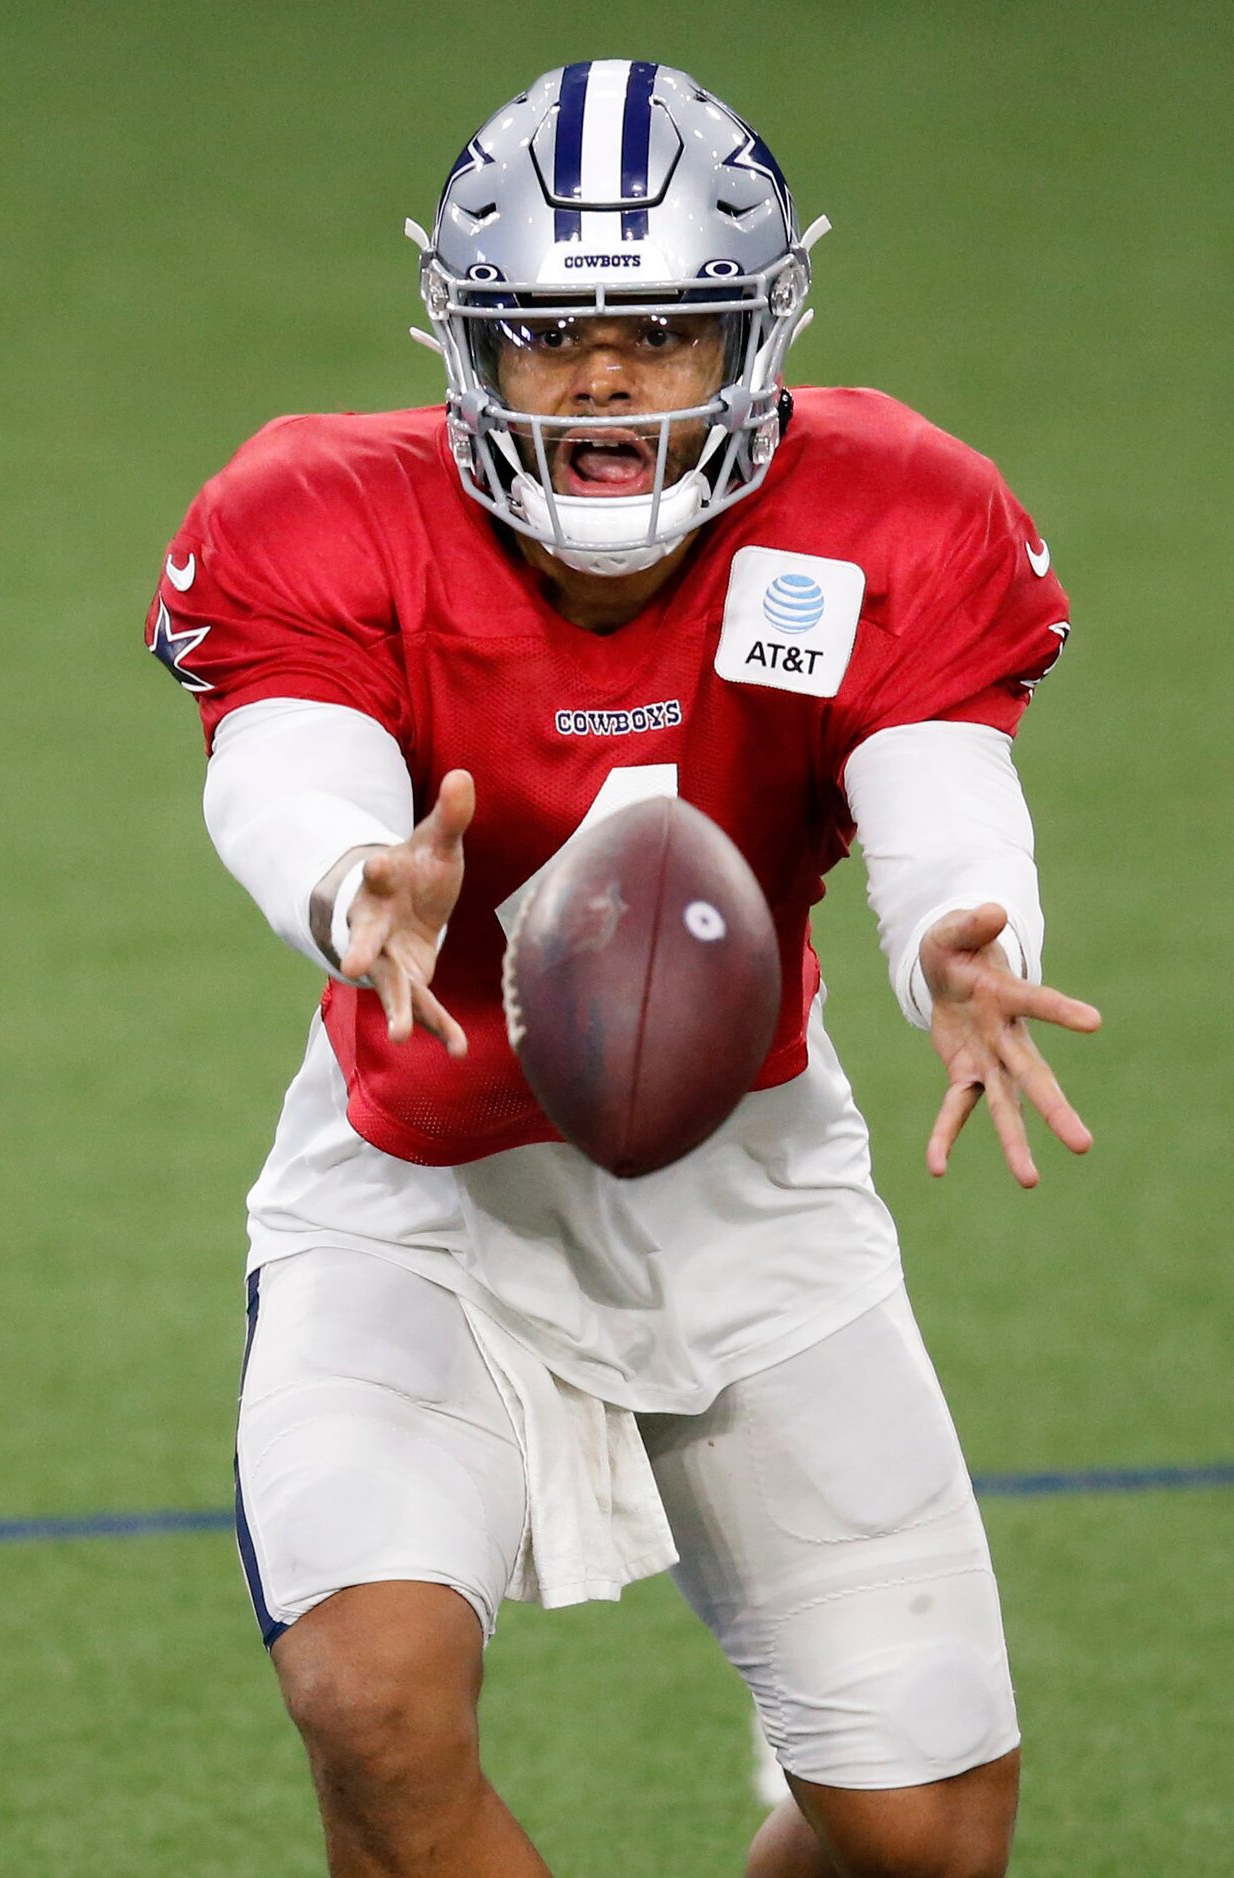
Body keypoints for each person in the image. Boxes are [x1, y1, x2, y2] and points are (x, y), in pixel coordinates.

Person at [150, 63, 1096, 1878]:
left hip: (746, 1189)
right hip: (416, 1189)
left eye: (658, 331)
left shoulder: (881, 507)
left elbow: (936, 789)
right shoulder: (325, 512)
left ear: (750, 338)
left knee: (929, 1839)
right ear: (467, 349)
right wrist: (348, 876)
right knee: (369, 1695)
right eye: (553, 334)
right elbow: (284, 754)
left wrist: (960, 928)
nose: (601, 379)